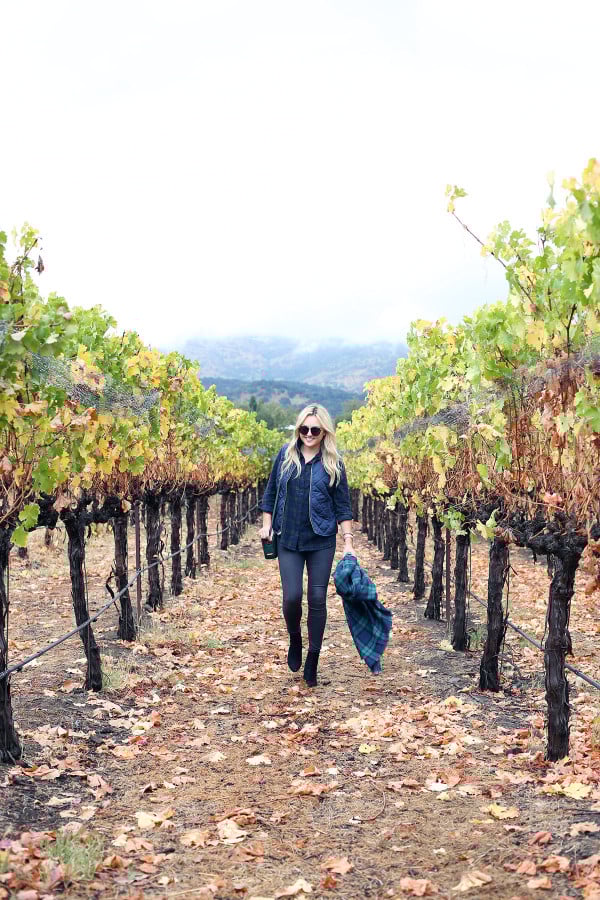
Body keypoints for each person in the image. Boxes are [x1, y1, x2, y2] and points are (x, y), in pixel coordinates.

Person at [258, 404, 354, 687]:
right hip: (288, 536)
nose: (309, 434)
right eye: (304, 429)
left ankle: (313, 657)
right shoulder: (285, 457)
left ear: (324, 432)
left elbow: (343, 506)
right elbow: (271, 492)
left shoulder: (333, 463)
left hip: (322, 539)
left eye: (315, 429)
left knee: (317, 599)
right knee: (291, 597)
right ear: (298, 429)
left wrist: (348, 542)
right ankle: (295, 639)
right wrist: (266, 524)